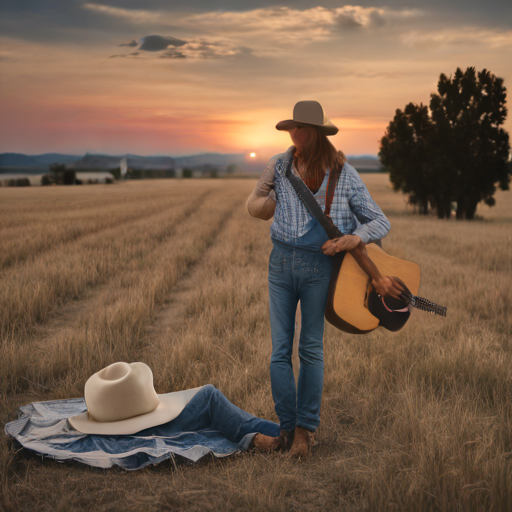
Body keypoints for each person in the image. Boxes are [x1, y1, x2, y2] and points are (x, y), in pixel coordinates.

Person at [246, 100, 403, 458]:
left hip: (320, 268)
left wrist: (354, 237)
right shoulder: (278, 164)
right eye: (292, 128)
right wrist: (259, 197)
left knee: (311, 349)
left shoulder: (343, 172)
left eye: (302, 128)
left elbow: (380, 221)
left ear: (317, 133)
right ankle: (286, 430)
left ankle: (305, 432)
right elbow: (256, 204)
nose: (295, 135)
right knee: (280, 352)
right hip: (280, 264)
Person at [5, 362, 280, 469]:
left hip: (136, 424)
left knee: (213, 404)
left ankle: (278, 433)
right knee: (210, 396)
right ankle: (280, 433)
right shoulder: (134, 418)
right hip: (153, 425)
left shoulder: (111, 408)